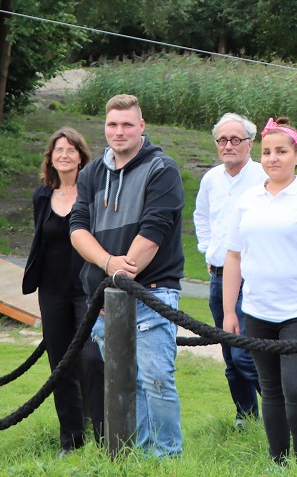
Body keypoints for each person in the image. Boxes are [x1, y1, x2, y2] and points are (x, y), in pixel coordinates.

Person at [70, 94, 186, 458]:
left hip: (152, 293)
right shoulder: (91, 173)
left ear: (142, 127)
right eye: (112, 125)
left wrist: (120, 274)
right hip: (105, 299)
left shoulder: (161, 169)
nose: (119, 132)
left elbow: (154, 231)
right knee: (124, 383)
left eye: (127, 125)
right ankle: (132, 457)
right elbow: (77, 228)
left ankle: (166, 457)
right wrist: (107, 266)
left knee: (156, 381)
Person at [223, 117, 297, 464]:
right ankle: (278, 461)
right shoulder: (247, 201)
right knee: (270, 390)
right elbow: (233, 256)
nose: (274, 158)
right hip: (258, 311)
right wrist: (231, 311)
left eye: (282, 151)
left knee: (296, 387)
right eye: (268, 152)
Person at [21, 127, 105, 454]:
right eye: (59, 150)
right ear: (51, 158)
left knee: (91, 359)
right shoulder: (42, 196)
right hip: (51, 290)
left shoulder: (93, 194)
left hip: (86, 289)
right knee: (60, 364)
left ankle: (103, 433)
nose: (65, 155)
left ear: (81, 156)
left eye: (71, 149)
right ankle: (71, 438)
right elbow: (41, 240)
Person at [195, 113, 266, 428]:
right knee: (230, 357)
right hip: (219, 277)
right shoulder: (211, 178)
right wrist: (208, 250)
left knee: (246, 354)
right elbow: (202, 217)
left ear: (250, 143)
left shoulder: (263, 175)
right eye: (222, 140)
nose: (228, 145)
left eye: (235, 139)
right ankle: (245, 416)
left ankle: (284, 411)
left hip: (253, 276)